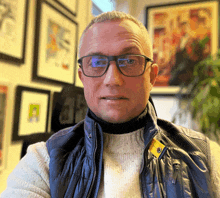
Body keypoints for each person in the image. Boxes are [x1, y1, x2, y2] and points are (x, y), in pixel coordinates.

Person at [1, 11, 220, 198]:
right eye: (96, 62)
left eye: (130, 61)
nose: (113, 79)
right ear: (82, 76)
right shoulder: (44, 161)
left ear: (152, 76)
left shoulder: (205, 157)